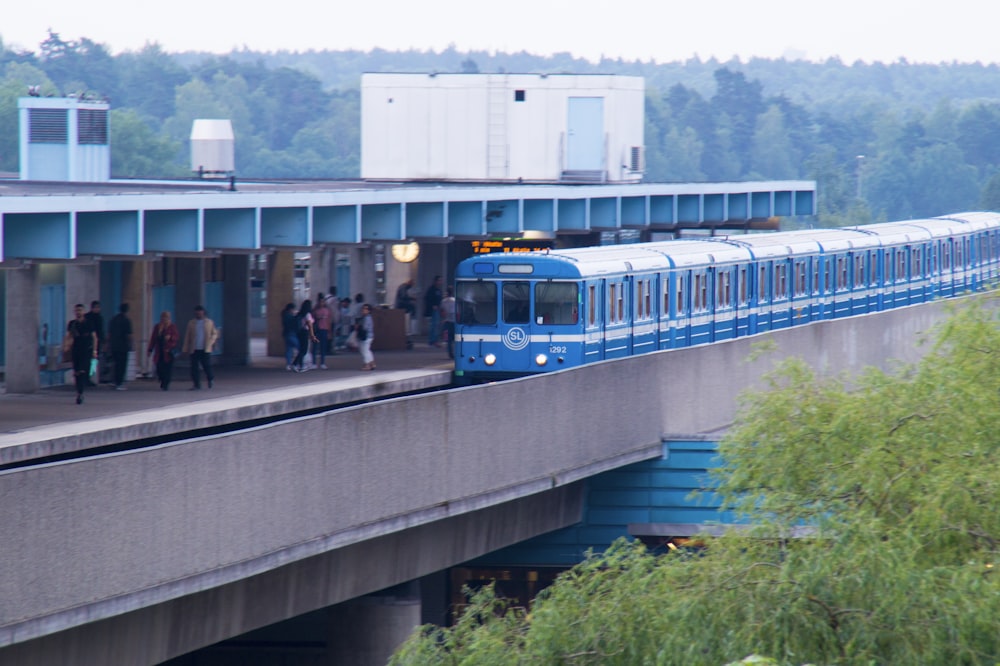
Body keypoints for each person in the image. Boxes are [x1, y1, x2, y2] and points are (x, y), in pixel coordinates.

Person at [64, 303, 97, 404]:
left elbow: (94, 337)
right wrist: (66, 347)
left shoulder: (89, 323)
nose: (78, 312)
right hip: (76, 349)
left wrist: (95, 350)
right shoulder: (72, 324)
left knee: (83, 370)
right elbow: (68, 336)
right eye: (77, 310)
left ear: (83, 311)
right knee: (77, 372)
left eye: (80, 310)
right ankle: (79, 391)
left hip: (86, 350)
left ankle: (81, 392)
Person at [182, 305, 218, 390]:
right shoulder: (191, 323)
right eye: (197, 313)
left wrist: (211, 341)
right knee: (194, 367)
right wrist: (185, 348)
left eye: (200, 312)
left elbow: (214, 333)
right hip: (194, 348)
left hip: (205, 348)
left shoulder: (209, 322)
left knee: (206, 365)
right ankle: (196, 384)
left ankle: (210, 379)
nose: (198, 314)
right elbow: (188, 336)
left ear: (203, 313)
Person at [147, 311, 180, 390]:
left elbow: (176, 337)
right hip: (160, 352)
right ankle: (162, 380)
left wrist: (170, 338)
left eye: (166, 317)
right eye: (163, 317)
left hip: (168, 352)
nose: (164, 319)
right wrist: (150, 349)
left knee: (168, 369)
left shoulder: (172, 327)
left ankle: (166, 384)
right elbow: (153, 339)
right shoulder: (157, 327)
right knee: (159, 368)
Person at [108, 303, 134, 390]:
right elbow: (128, 335)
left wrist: (108, 344)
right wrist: (131, 345)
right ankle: (119, 383)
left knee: (115, 364)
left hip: (114, 345)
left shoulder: (113, 319)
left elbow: (109, 333)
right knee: (122, 365)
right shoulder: (126, 320)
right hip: (123, 346)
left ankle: (114, 381)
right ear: (127, 310)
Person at [293, 299, 318, 372]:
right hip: (305, 332)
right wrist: (312, 334)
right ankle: (295, 364)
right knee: (304, 350)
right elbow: (310, 325)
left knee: (301, 349)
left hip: (299, 332)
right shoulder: (308, 314)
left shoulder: (300, 313)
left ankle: (300, 365)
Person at [84, 300, 105, 386]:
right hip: (88, 342)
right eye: (96, 307)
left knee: (94, 361)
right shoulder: (88, 318)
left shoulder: (99, 318)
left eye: (98, 308)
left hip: (97, 343)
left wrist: (102, 341)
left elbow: (101, 331)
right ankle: (86, 377)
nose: (97, 309)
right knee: (87, 361)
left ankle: (90, 376)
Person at [395, 278, 417, 348]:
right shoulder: (403, 287)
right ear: (409, 283)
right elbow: (404, 296)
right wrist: (412, 298)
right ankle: (413, 317)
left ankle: (412, 315)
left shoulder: (404, 287)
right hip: (400, 305)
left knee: (412, 305)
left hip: (401, 304)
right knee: (412, 305)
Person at [312, 294, 332, 369]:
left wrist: (329, 332)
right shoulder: (315, 310)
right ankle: (314, 363)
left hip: (324, 329)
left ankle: (322, 362)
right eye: (320, 302)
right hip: (317, 329)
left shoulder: (327, 311)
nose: (321, 303)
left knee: (323, 347)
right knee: (314, 347)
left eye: (323, 302)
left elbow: (329, 321)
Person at [424, 275, 444, 347]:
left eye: (441, 280)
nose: (440, 282)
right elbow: (427, 298)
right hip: (433, 310)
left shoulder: (439, 290)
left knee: (437, 325)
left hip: (438, 309)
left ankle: (435, 340)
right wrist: (433, 305)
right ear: (435, 281)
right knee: (433, 326)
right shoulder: (431, 289)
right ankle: (432, 341)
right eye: (439, 280)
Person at [281, 302, 300, 371]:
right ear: (290, 309)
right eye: (293, 309)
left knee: (289, 350)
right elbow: (294, 323)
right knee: (300, 348)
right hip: (291, 334)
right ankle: (296, 363)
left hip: (286, 334)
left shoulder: (284, 315)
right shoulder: (289, 316)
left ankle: (288, 364)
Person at [357, 303, 376, 370]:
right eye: (363, 308)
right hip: (369, 336)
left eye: (365, 309)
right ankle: (372, 363)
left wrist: (358, 326)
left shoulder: (367, 318)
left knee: (364, 350)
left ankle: (367, 365)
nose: (363, 310)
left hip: (366, 336)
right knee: (367, 350)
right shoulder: (367, 317)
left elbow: (364, 328)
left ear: (369, 310)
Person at [440, 286, 456, 359]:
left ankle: (450, 354)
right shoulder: (455, 301)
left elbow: (442, 312)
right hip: (454, 322)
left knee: (448, 340)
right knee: (456, 339)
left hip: (447, 321)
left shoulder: (443, 301)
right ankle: (457, 353)